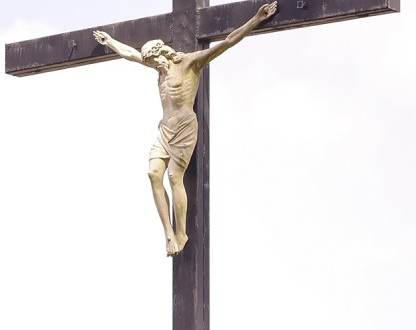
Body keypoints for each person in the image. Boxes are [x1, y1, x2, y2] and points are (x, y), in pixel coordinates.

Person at [94, 3, 278, 257]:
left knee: (173, 177)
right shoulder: (158, 67)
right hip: (164, 128)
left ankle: (181, 233)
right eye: (150, 62)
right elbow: (131, 54)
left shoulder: (190, 63)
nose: (152, 65)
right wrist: (110, 41)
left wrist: (256, 18)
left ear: (163, 53)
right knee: (152, 174)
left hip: (184, 126)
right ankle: (168, 232)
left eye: (154, 60)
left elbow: (227, 41)